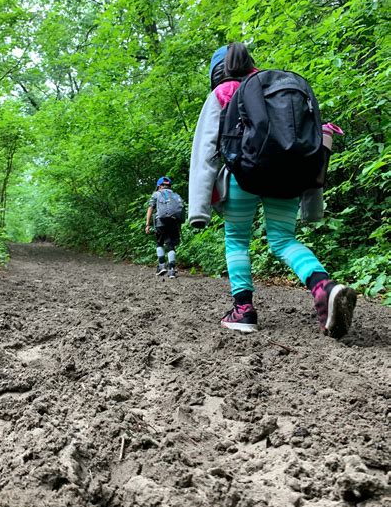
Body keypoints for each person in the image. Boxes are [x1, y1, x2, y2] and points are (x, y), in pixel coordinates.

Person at [188, 42, 357, 338]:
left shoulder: (222, 93)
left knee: (237, 239)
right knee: (283, 240)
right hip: (288, 176)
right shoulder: (278, 88)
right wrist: (312, 205)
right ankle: (324, 287)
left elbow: (205, 152)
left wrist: (198, 210)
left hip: (242, 176)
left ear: (217, 73)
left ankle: (243, 310)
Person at [146, 176, 183, 278]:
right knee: (171, 245)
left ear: (159, 186)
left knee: (159, 243)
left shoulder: (156, 194)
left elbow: (150, 208)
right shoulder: (176, 195)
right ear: (169, 186)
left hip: (160, 222)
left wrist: (147, 224)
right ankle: (171, 270)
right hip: (174, 222)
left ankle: (162, 265)